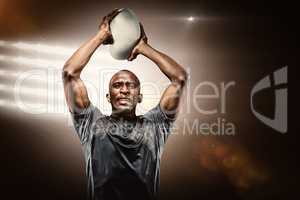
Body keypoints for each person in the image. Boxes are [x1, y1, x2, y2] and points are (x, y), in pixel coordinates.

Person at [62, 9, 188, 200]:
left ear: (139, 97)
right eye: (117, 85)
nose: (124, 89)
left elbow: (179, 78)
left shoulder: (155, 125)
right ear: (108, 96)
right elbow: (70, 73)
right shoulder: (91, 123)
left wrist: (144, 47)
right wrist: (101, 35)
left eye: (131, 85)